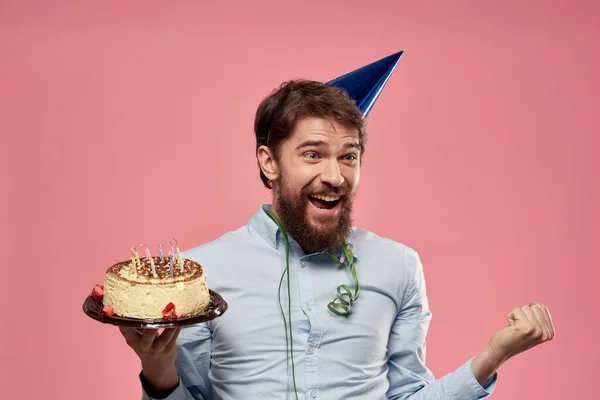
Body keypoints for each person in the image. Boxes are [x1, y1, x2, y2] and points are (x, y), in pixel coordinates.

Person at [119, 77, 555, 399]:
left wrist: (490, 359)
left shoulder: (399, 266)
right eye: (312, 155)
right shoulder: (202, 274)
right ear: (269, 162)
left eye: (349, 156)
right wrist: (157, 371)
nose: (334, 176)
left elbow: (407, 395)